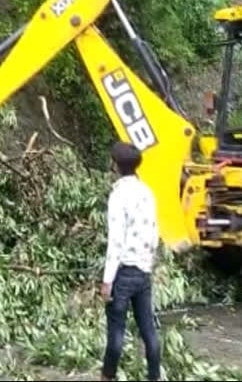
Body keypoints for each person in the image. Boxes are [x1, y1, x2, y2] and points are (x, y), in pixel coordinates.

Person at [100, 142, 160, 382]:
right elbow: (155, 232)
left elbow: (116, 241)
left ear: (115, 165)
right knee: (148, 330)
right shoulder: (147, 192)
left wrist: (107, 281)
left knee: (116, 332)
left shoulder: (118, 195)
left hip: (123, 274)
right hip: (143, 272)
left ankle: (107, 377)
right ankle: (154, 377)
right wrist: (148, 263)